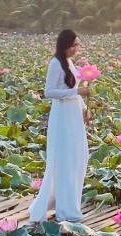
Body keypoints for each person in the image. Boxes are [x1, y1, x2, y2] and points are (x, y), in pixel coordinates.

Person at [29, 29, 91, 223]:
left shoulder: (69, 62)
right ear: (65, 45)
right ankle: (65, 210)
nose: (77, 49)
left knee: (78, 157)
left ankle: (70, 203)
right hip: (62, 116)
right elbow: (49, 92)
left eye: (78, 45)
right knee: (65, 159)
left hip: (73, 115)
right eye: (74, 45)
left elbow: (71, 90)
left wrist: (83, 107)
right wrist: (77, 92)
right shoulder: (55, 63)